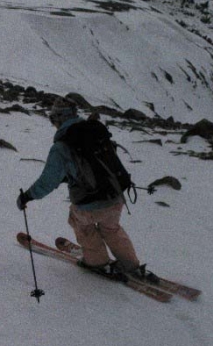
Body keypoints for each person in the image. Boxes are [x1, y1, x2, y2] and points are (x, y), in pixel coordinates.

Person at [17, 99, 145, 279]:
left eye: (53, 119)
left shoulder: (62, 146)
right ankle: (131, 265)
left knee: (81, 223)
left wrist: (27, 196)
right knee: (111, 228)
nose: (53, 124)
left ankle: (98, 262)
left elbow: (47, 181)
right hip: (115, 197)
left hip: (88, 203)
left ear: (59, 119)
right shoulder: (95, 132)